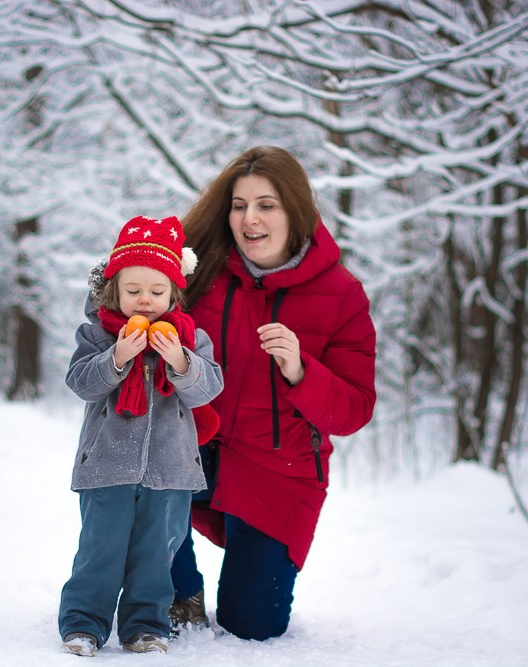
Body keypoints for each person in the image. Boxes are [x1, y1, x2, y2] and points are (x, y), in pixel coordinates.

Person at [168, 146, 377, 641]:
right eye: (239, 205)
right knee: (129, 474)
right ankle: (180, 592)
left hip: (277, 470)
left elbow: (354, 410)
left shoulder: (341, 293)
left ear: (295, 210)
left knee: (254, 625)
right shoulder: (200, 272)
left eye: (267, 204)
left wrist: (302, 370)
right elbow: (129, 293)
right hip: (188, 452)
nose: (250, 218)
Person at [58, 215, 224, 657]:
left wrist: (182, 363)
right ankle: (83, 624)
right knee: (100, 551)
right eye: (133, 291)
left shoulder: (191, 340)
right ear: (114, 290)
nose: (145, 301)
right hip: (107, 466)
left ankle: (145, 627)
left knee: (156, 555)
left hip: (169, 471)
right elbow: (80, 383)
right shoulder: (96, 335)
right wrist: (116, 357)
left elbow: (209, 389)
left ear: (174, 293)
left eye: (156, 291)